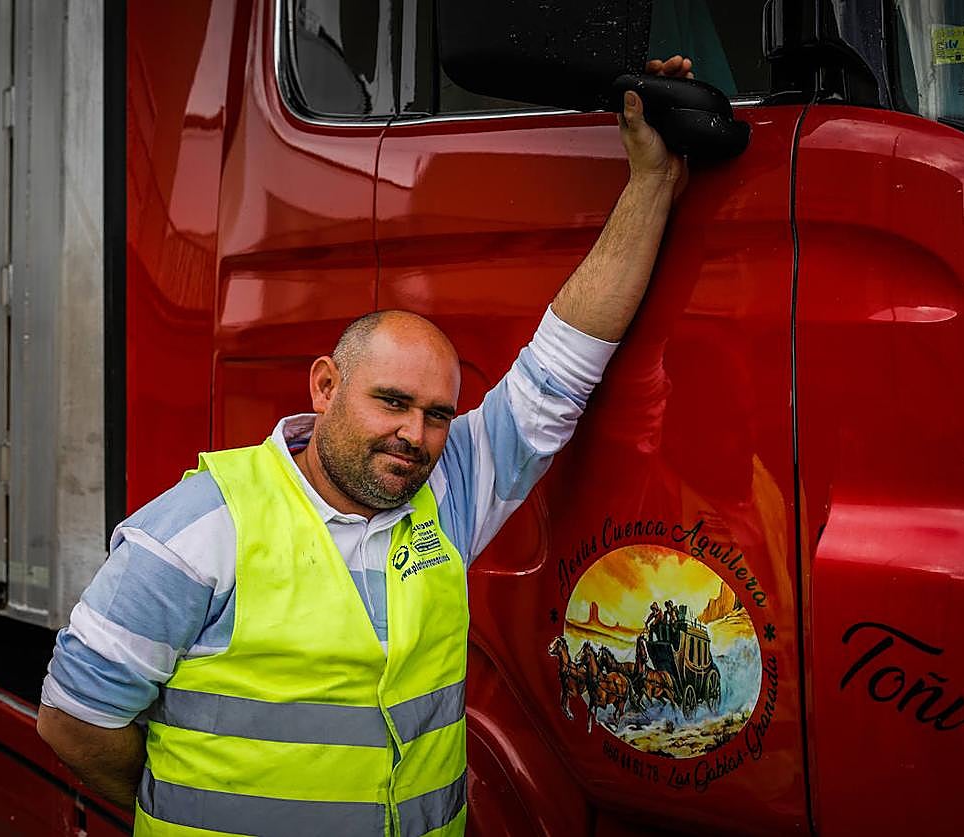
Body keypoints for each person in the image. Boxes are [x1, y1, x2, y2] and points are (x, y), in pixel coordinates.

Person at [37, 56, 696, 836]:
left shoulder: (447, 491)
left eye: (437, 413)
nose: (414, 436)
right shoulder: (197, 531)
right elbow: (74, 721)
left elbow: (559, 369)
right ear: (324, 387)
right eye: (391, 401)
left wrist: (650, 187)